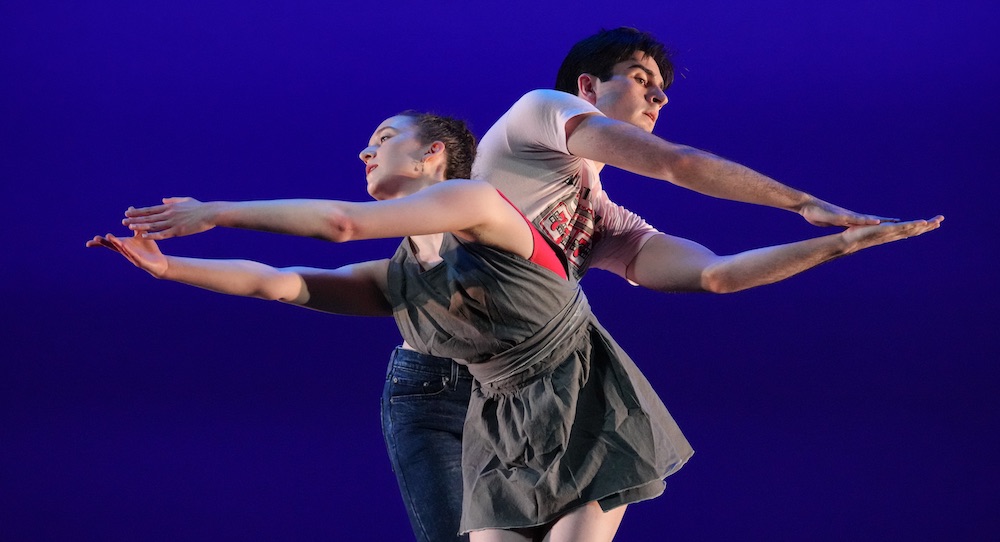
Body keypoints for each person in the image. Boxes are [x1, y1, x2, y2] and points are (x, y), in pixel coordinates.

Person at [117, 28, 943, 542]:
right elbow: (295, 275)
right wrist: (802, 202)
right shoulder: (540, 112)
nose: (654, 101)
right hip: (443, 380)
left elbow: (717, 277)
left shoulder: (595, 221)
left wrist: (836, 246)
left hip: (537, 381)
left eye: (661, 93)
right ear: (589, 87)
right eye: (640, 82)